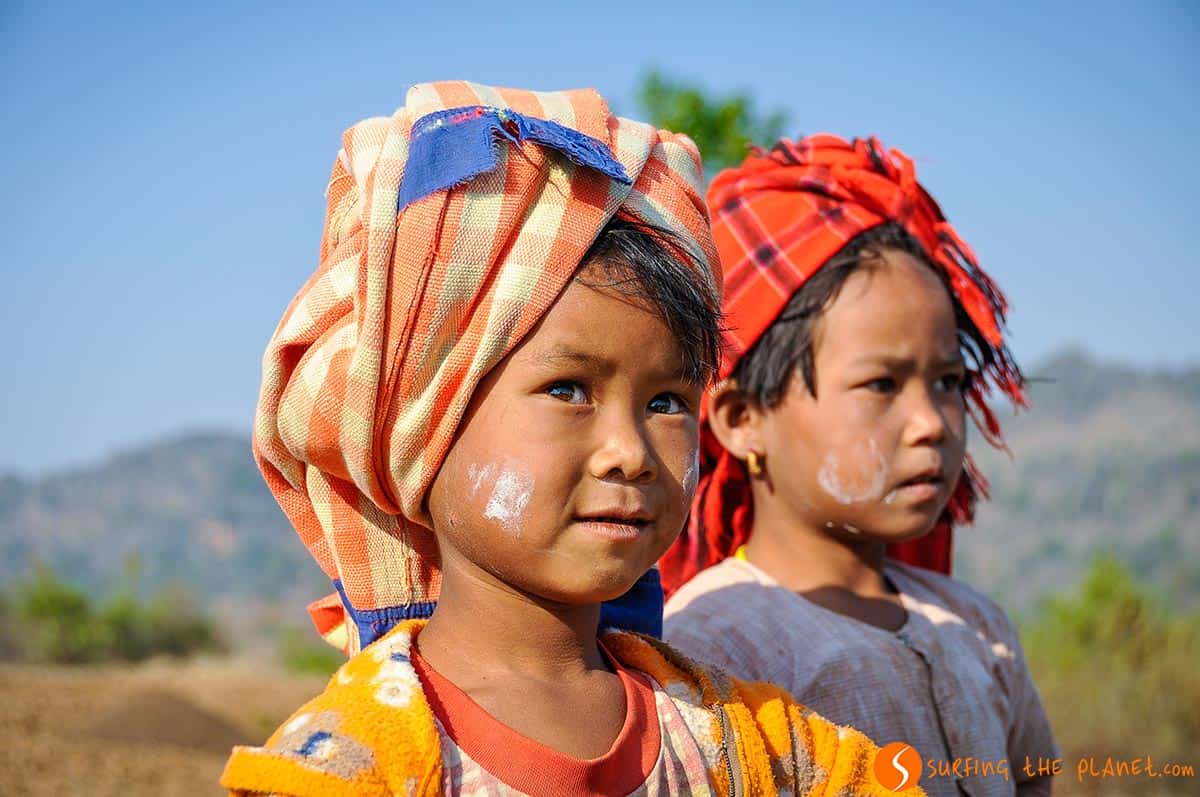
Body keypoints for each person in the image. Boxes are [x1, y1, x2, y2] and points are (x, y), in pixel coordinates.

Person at [221, 84, 914, 797]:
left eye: (668, 401)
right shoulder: (351, 764)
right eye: (568, 390)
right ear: (427, 426)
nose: (631, 450)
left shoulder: (755, 741)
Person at [661, 134, 1059, 796]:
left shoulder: (976, 626)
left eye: (949, 382)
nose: (932, 421)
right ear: (741, 419)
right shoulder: (714, 649)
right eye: (882, 384)